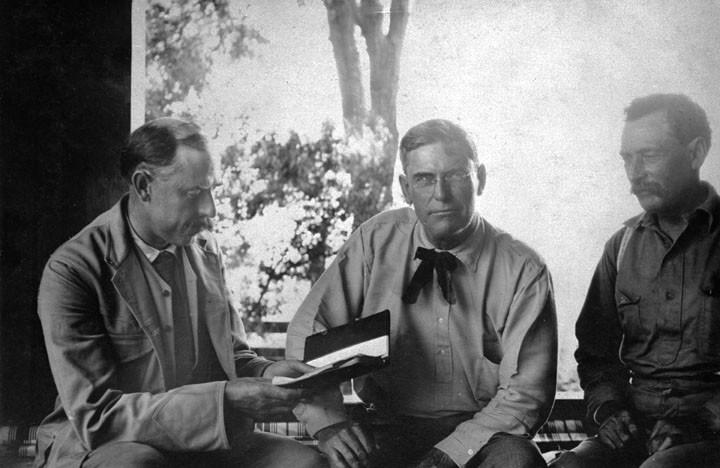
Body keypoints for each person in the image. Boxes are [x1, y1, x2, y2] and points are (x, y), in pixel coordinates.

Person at [35, 118, 327, 468]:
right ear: (143, 186)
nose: (211, 210)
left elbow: (231, 356)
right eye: (193, 194)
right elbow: (98, 418)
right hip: (102, 443)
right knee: (138, 465)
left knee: (307, 464)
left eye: (211, 190)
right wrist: (226, 401)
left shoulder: (205, 249)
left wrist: (269, 372)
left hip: (201, 440)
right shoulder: (72, 270)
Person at [286, 119, 558, 468]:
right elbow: (308, 335)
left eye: (456, 175)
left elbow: (527, 393)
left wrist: (451, 454)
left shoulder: (524, 268)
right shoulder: (374, 242)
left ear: (482, 179)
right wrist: (328, 424)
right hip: (387, 428)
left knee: (518, 461)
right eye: (425, 179)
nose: (440, 194)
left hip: (485, 436)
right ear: (405, 187)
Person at [550, 94, 720, 468]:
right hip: (636, 430)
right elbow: (596, 353)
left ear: (695, 153)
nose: (635, 172)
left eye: (649, 155)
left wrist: (699, 422)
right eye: (627, 158)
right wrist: (609, 410)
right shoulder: (621, 247)